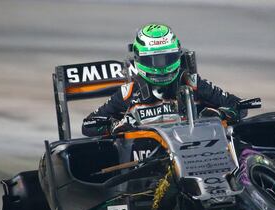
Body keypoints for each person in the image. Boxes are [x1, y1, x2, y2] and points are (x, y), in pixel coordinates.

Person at [82, 23, 243, 137]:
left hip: (197, 158)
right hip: (148, 168)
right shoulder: (128, 92)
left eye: (168, 58)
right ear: (139, 58)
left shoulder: (191, 82)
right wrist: (114, 126)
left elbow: (238, 105)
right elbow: (88, 126)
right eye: (154, 60)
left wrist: (220, 114)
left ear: (178, 55)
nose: (161, 67)